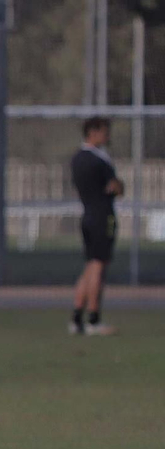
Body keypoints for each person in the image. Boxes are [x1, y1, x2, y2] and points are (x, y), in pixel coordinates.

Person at [70, 116, 124, 336]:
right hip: (103, 216)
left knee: (91, 265)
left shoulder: (77, 159)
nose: (107, 136)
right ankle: (94, 319)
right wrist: (119, 186)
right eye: (104, 131)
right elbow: (116, 188)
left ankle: (76, 319)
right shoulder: (100, 160)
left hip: (87, 215)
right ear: (93, 132)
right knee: (99, 267)